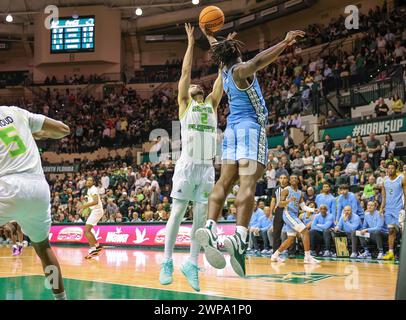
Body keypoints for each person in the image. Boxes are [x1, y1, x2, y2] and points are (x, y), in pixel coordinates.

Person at [196, 26, 305, 277]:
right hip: (249, 128)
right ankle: (240, 236)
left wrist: (208, 33)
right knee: (248, 182)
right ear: (236, 53)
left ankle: (210, 227)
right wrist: (285, 41)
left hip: (231, 129)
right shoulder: (239, 70)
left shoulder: (223, 69)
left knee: (225, 181)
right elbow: (258, 61)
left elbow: (216, 47)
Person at [159, 24, 223, 292]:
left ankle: (192, 265)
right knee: (176, 213)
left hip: (207, 168)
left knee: (198, 220)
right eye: (193, 85)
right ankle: (166, 262)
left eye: (199, 84)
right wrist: (190, 42)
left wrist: (222, 50)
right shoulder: (185, 105)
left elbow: (223, 74)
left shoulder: (211, 103)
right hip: (187, 165)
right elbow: (186, 71)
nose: (196, 83)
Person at [0, 105, 70, 300]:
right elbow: (63, 129)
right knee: (43, 248)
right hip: (38, 189)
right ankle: (61, 298)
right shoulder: (17, 112)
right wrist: (35, 134)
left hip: (7, 186)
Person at [270, 175, 320, 264]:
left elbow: (303, 207)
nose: (293, 179)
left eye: (295, 178)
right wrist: (289, 201)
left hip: (294, 215)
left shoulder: (300, 193)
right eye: (292, 178)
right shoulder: (286, 190)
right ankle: (307, 257)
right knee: (305, 231)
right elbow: (280, 204)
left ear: (298, 180)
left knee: (290, 239)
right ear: (289, 181)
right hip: (287, 214)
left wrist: (313, 210)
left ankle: (275, 256)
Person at [381, 163, 406, 261]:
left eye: (392, 168)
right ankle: (391, 253)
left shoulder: (402, 179)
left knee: (403, 232)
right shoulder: (384, 181)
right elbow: (384, 196)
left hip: (399, 208)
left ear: (396, 170)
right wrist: (381, 207)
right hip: (389, 209)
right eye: (389, 168)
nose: (390, 170)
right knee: (391, 231)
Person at [78, 176, 104, 259]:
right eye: (87, 180)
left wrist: (83, 206)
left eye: (90, 180)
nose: (88, 181)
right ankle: (97, 246)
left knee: (86, 230)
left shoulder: (93, 189)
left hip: (97, 210)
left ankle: (93, 250)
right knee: (88, 230)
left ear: (93, 182)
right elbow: (91, 203)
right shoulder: (89, 190)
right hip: (95, 211)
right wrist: (85, 209)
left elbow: (95, 202)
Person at [269, 174, 289, 255]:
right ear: (279, 180)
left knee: (291, 232)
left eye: (284, 178)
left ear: (287, 180)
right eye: (281, 178)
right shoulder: (276, 189)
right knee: (276, 232)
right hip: (278, 211)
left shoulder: (290, 188)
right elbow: (273, 201)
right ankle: (275, 252)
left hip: (289, 210)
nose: (283, 180)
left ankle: (291, 252)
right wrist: (271, 213)